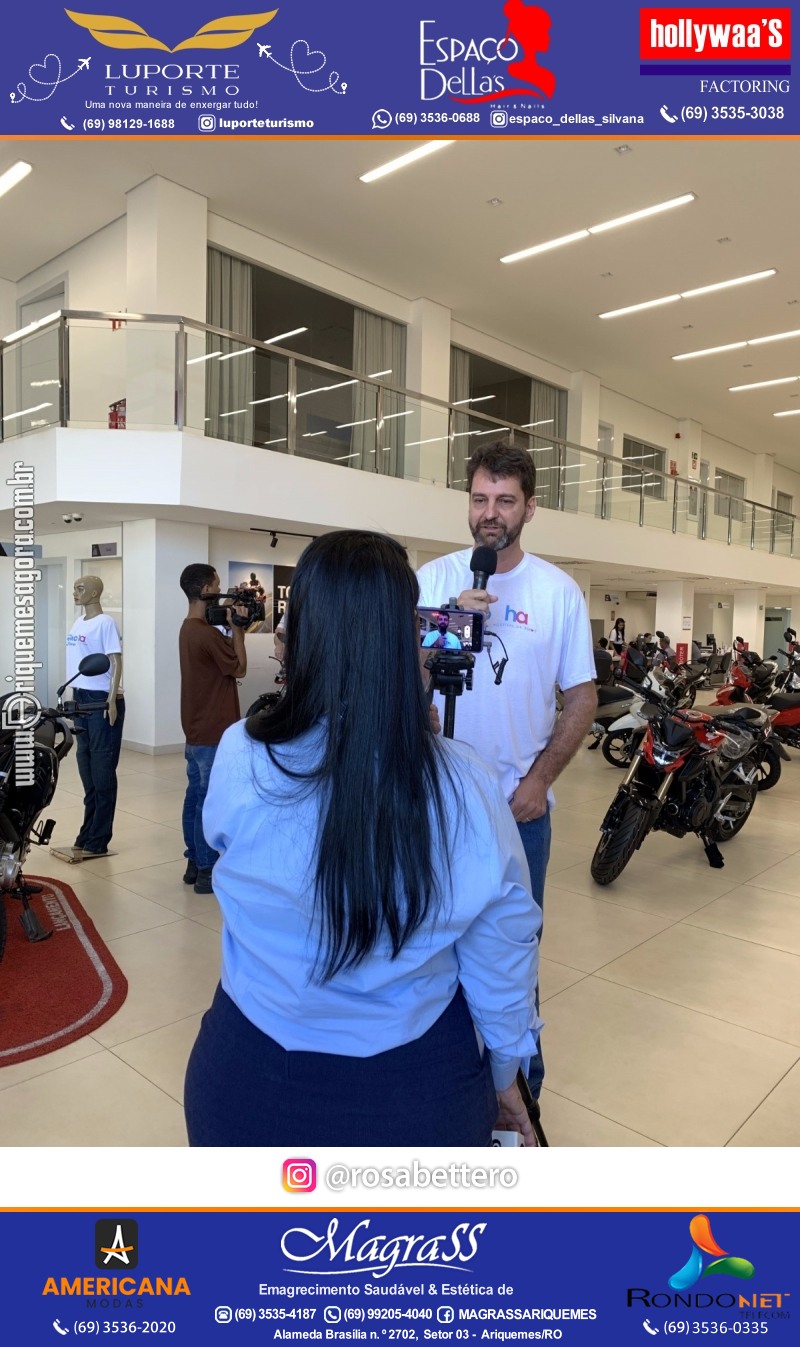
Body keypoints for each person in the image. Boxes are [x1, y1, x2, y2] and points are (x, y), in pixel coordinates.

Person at [184, 531, 541, 1147]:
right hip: (411, 1090)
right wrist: (507, 1074)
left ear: (295, 641)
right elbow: (500, 954)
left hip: (242, 1074)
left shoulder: (243, 751)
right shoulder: (465, 784)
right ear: (410, 642)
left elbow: (220, 843)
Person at [416, 441, 597, 1135]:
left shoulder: (557, 592)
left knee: (511, 952)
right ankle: (450, 1081)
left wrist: (540, 779)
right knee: (431, 943)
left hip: (519, 812)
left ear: (530, 507)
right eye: (480, 499)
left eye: (505, 501)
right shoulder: (434, 578)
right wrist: (453, 622)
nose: (490, 515)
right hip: (434, 803)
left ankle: (523, 1091)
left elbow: (580, 696)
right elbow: (410, 679)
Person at [179, 564, 247, 895]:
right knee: (207, 800)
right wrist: (238, 631)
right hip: (213, 730)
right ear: (207, 589)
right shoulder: (206, 633)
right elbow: (240, 668)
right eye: (218, 585)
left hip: (195, 727)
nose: (221, 591)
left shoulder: (188, 627)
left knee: (194, 797)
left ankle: (194, 861)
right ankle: (206, 869)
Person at [62, 576, 125, 860]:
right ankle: (87, 832)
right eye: (75, 588)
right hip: (80, 699)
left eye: (80, 588)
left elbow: (115, 660)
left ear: (96, 592)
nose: (75, 592)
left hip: (100, 700)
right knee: (86, 769)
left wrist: (111, 699)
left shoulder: (106, 623)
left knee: (102, 772)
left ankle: (99, 839)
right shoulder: (78, 622)